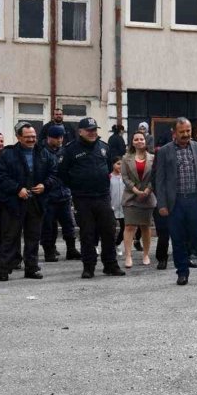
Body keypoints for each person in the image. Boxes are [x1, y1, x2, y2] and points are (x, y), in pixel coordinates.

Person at [154, 118, 197, 286]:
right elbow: (159, 180)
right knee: (178, 239)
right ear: (174, 133)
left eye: (188, 131)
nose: (185, 134)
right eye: (182, 132)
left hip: (196, 201)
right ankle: (182, 273)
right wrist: (161, 204)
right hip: (174, 203)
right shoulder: (164, 151)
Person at [58, 117, 125, 279]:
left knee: (109, 231)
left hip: (102, 197)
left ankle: (110, 265)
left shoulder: (104, 147)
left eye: (94, 130)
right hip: (83, 198)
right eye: (89, 130)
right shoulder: (71, 149)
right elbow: (62, 173)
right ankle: (89, 267)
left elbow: (109, 167)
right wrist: (77, 186)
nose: (92, 133)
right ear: (80, 132)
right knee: (87, 234)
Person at [0, 123, 57, 281]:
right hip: (14, 203)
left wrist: (45, 185)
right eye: (27, 137)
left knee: (33, 237)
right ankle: (4, 269)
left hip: (36, 202)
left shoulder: (44, 153)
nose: (31, 140)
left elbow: (54, 173)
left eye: (33, 137)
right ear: (18, 137)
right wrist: (17, 189)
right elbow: (0, 177)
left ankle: (32, 268)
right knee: (10, 237)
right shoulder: (8, 154)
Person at [40, 125, 80, 262]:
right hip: (49, 196)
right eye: (57, 137)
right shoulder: (42, 152)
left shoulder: (64, 151)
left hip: (64, 194)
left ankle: (71, 250)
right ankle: (49, 251)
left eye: (61, 137)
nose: (60, 140)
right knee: (48, 227)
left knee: (69, 225)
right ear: (49, 138)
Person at [120, 132, 156, 268]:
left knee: (146, 227)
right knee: (129, 226)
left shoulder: (153, 158)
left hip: (148, 196)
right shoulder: (126, 158)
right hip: (131, 197)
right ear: (132, 142)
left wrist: (148, 190)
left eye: (141, 139)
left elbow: (155, 176)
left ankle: (145, 254)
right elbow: (124, 177)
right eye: (136, 139)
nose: (139, 141)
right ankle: (128, 256)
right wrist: (135, 190)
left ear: (145, 141)